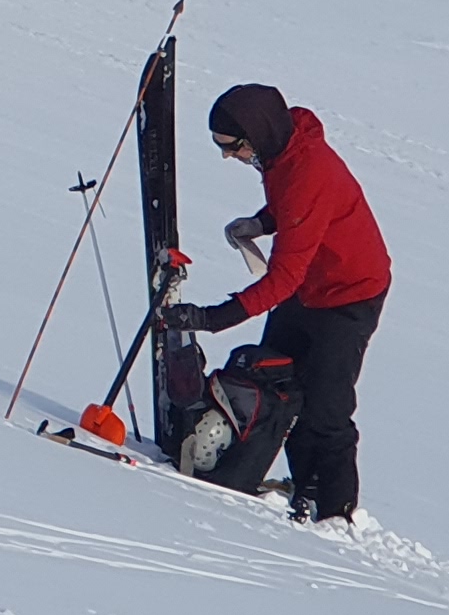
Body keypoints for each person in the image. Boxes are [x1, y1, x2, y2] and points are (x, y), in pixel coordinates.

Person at [166, 82, 390, 524]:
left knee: (326, 408)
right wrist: (262, 222)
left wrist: (212, 318)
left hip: (348, 294)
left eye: (232, 147)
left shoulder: (308, 170)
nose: (229, 157)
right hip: (311, 287)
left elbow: (285, 276)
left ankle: (336, 513)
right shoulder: (281, 153)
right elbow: (294, 210)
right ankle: (301, 493)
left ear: (257, 134)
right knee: (279, 384)